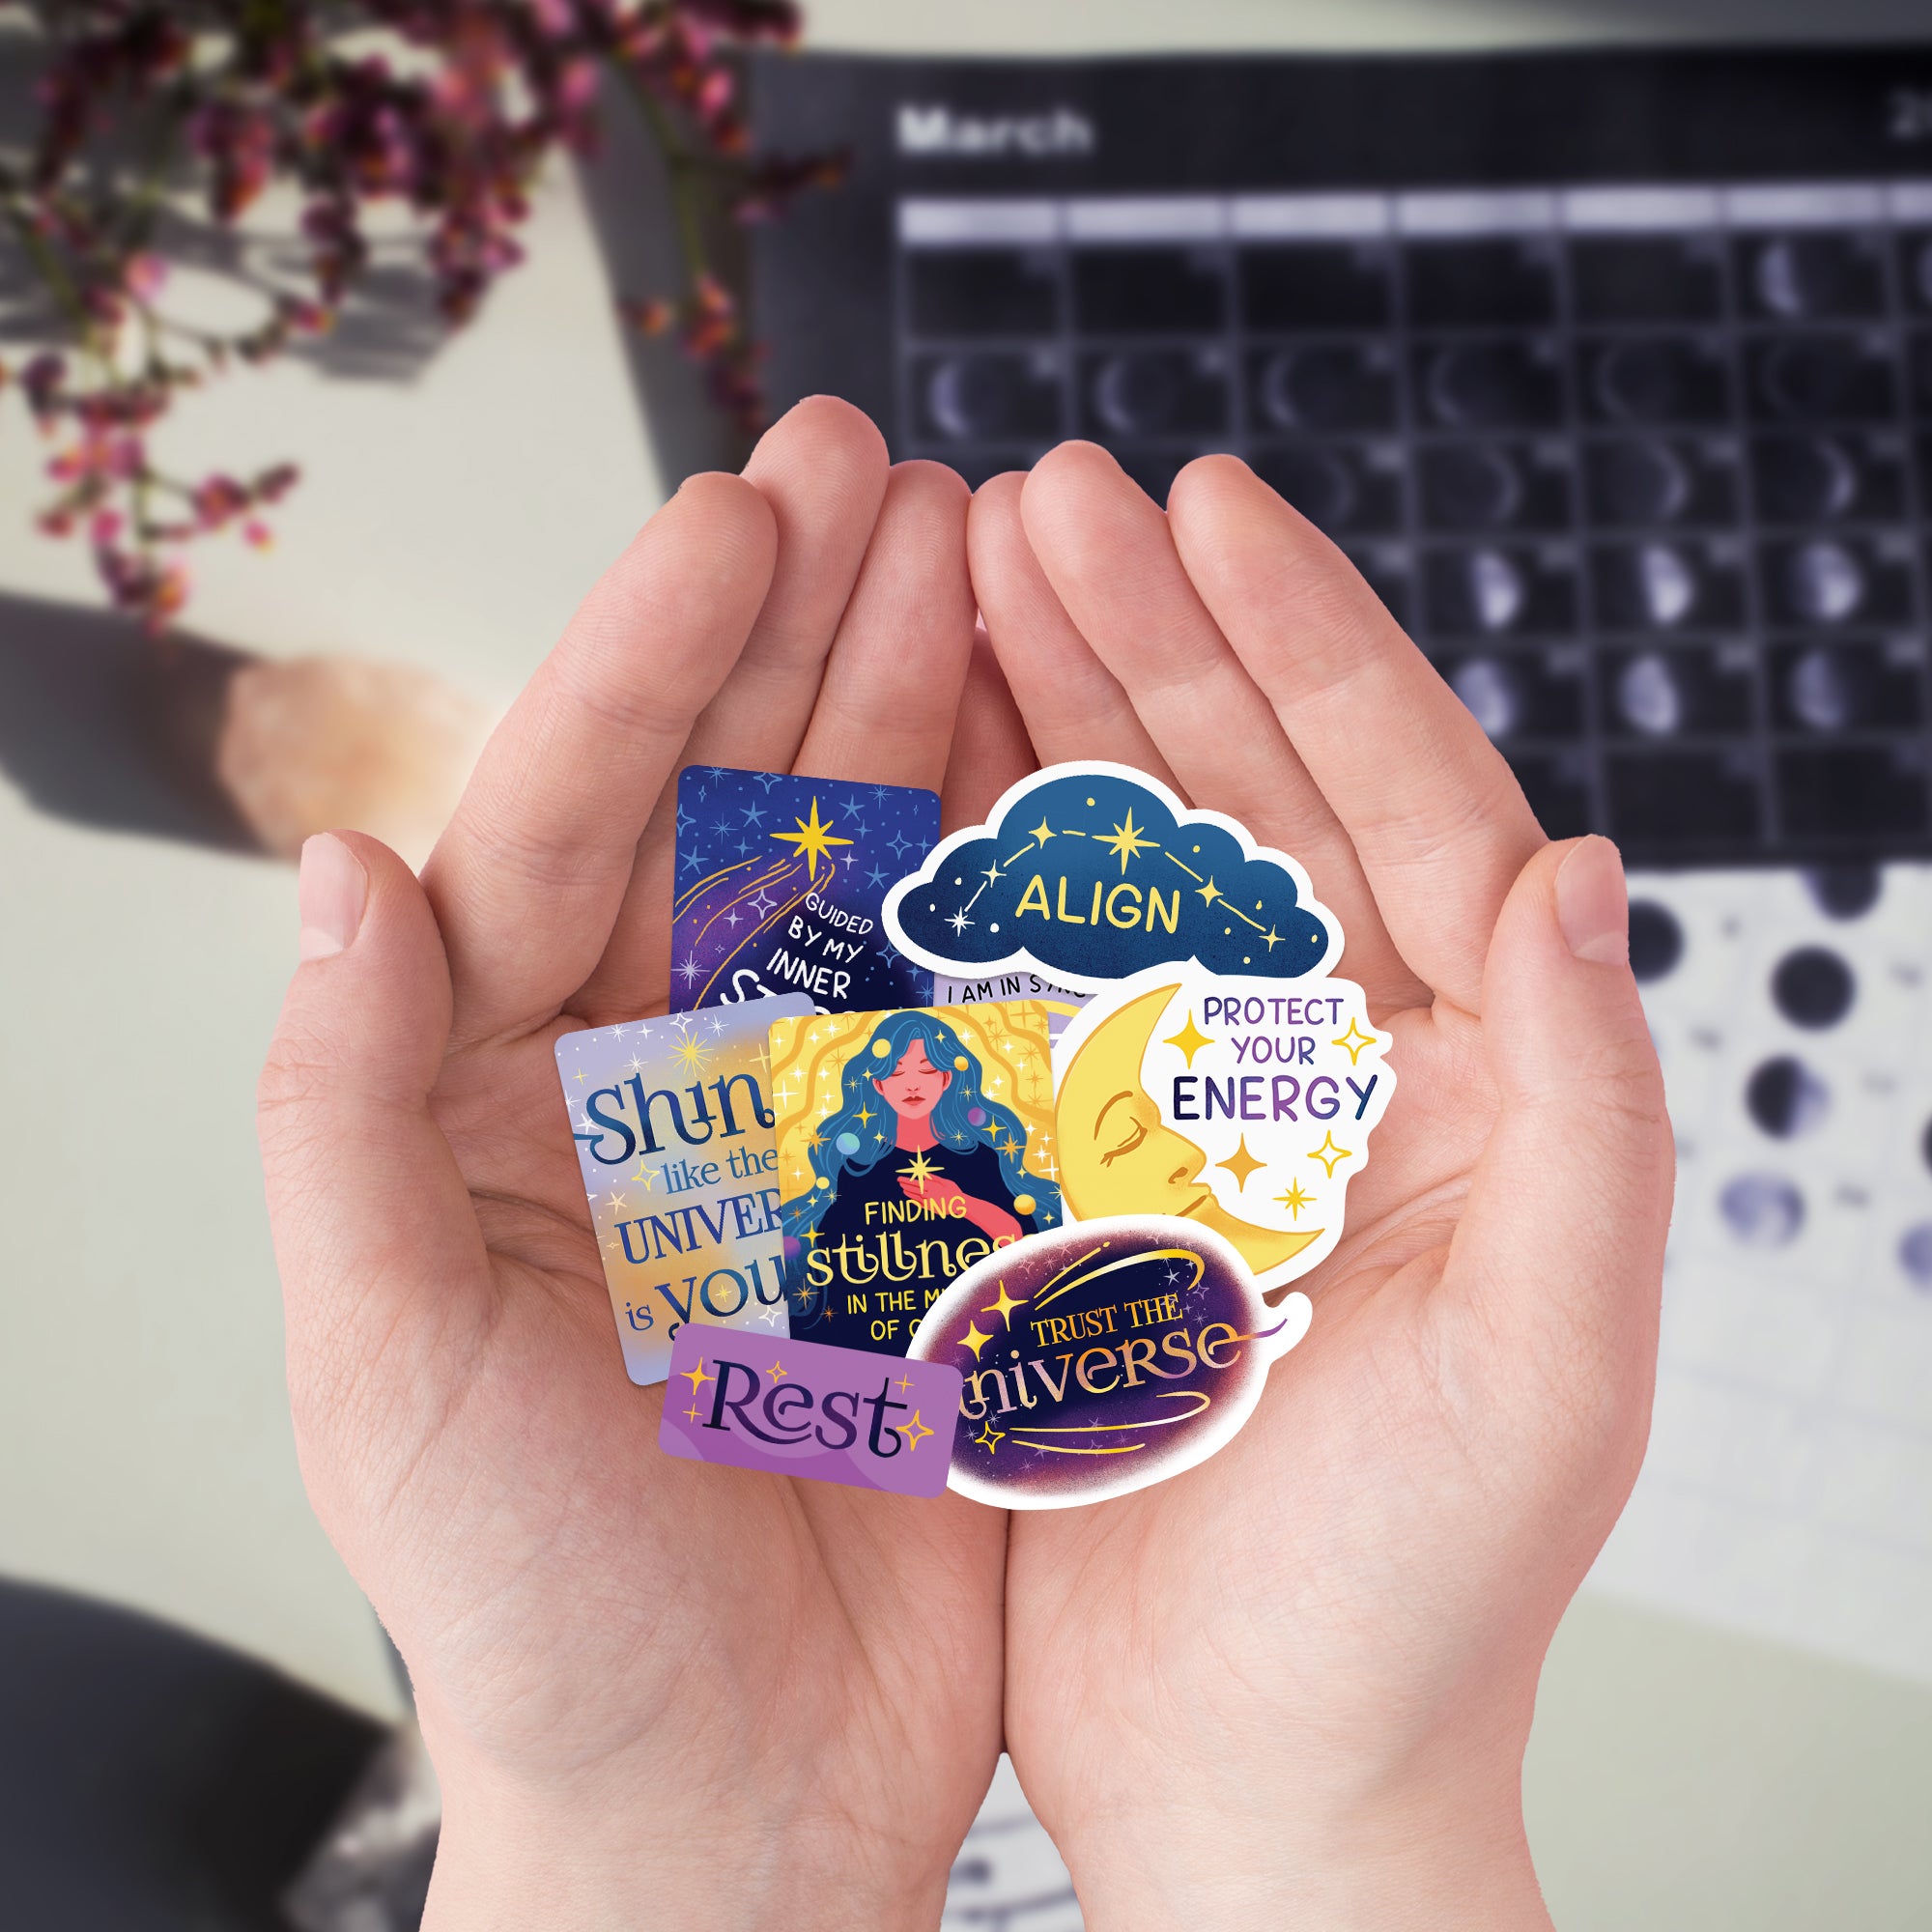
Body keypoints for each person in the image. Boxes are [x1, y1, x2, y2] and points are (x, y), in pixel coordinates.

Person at [260, 398, 1671, 1929]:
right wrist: (657, 1824)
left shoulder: (1005, 1156)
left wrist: (1320, 1815)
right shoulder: (851, 1172)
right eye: (904, 1072)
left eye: (926, 1070)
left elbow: (990, 1221)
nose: (917, 1072)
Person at [781, 1008, 1060, 1349]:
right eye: (897, 1072)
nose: (912, 1084)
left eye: (927, 1070)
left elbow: (1021, 1247)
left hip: (979, 1340)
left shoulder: (979, 1159)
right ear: (878, 1084)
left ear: (946, 1079)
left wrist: (963, 1204)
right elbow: (836, 1272)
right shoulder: (856, 1171)